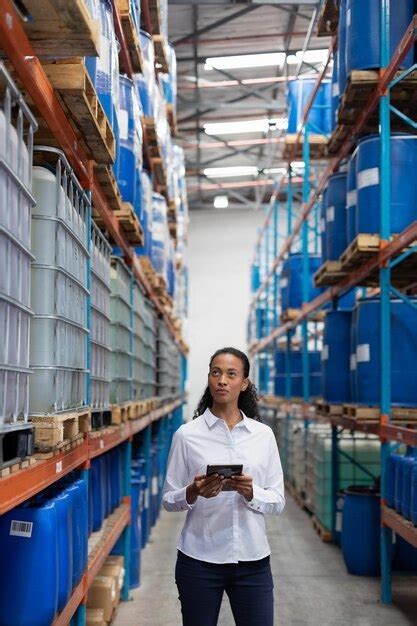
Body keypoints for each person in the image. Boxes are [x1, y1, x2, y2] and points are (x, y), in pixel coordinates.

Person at [162, 347, 285, 626]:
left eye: (231, 374)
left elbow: (278, 500)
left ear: (244, 383)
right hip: (199, 559)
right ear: (208, 378)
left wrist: (252, 493)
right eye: (216, 373)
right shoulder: (187, 435)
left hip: (252, 562)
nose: (222, 381)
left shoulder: (263, 436)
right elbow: (169, 499)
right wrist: (193, 492)